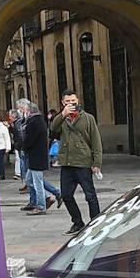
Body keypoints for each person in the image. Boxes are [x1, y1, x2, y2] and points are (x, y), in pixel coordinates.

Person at [50, 90, 104, 235]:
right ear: (63, 103)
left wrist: (96, 163)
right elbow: (52, 129)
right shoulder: (62, 119)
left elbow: (96, 141)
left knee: (90, 195)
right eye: (67, 102)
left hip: (83, 162)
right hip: (67, 163)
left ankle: (95, 222)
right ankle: (77, 222)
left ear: (78, 101)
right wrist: (62, 114)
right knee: (66, 195)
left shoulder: (88, 118)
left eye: (73, 101)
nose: (71, 104)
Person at [16, 98, 60, 216]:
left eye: (25, 110)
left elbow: (29, 140)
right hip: (37, 155)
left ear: (29, 111)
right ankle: (55, 193)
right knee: (30, 180)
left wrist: (22, 146)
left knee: (37, 182)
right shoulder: (37, 120)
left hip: (36, 156)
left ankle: (41, 206)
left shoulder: (34, 122)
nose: (24, 112)